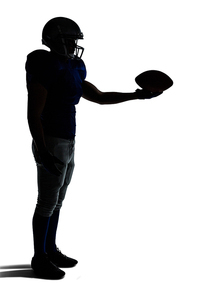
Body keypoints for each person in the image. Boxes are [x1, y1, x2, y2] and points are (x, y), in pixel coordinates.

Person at [26, 17, 162, 280]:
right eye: (69, 40)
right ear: (53, 40)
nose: (74, 45)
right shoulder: (45, 65)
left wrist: (136, 95)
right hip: (51, 139)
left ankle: (50, 249)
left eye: (75, 40)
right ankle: (38, 257)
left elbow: (98, 97)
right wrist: (42, 151)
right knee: (46, 201)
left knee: (57, 201)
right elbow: (33, 114)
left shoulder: (74, 67)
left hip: (68, 139)